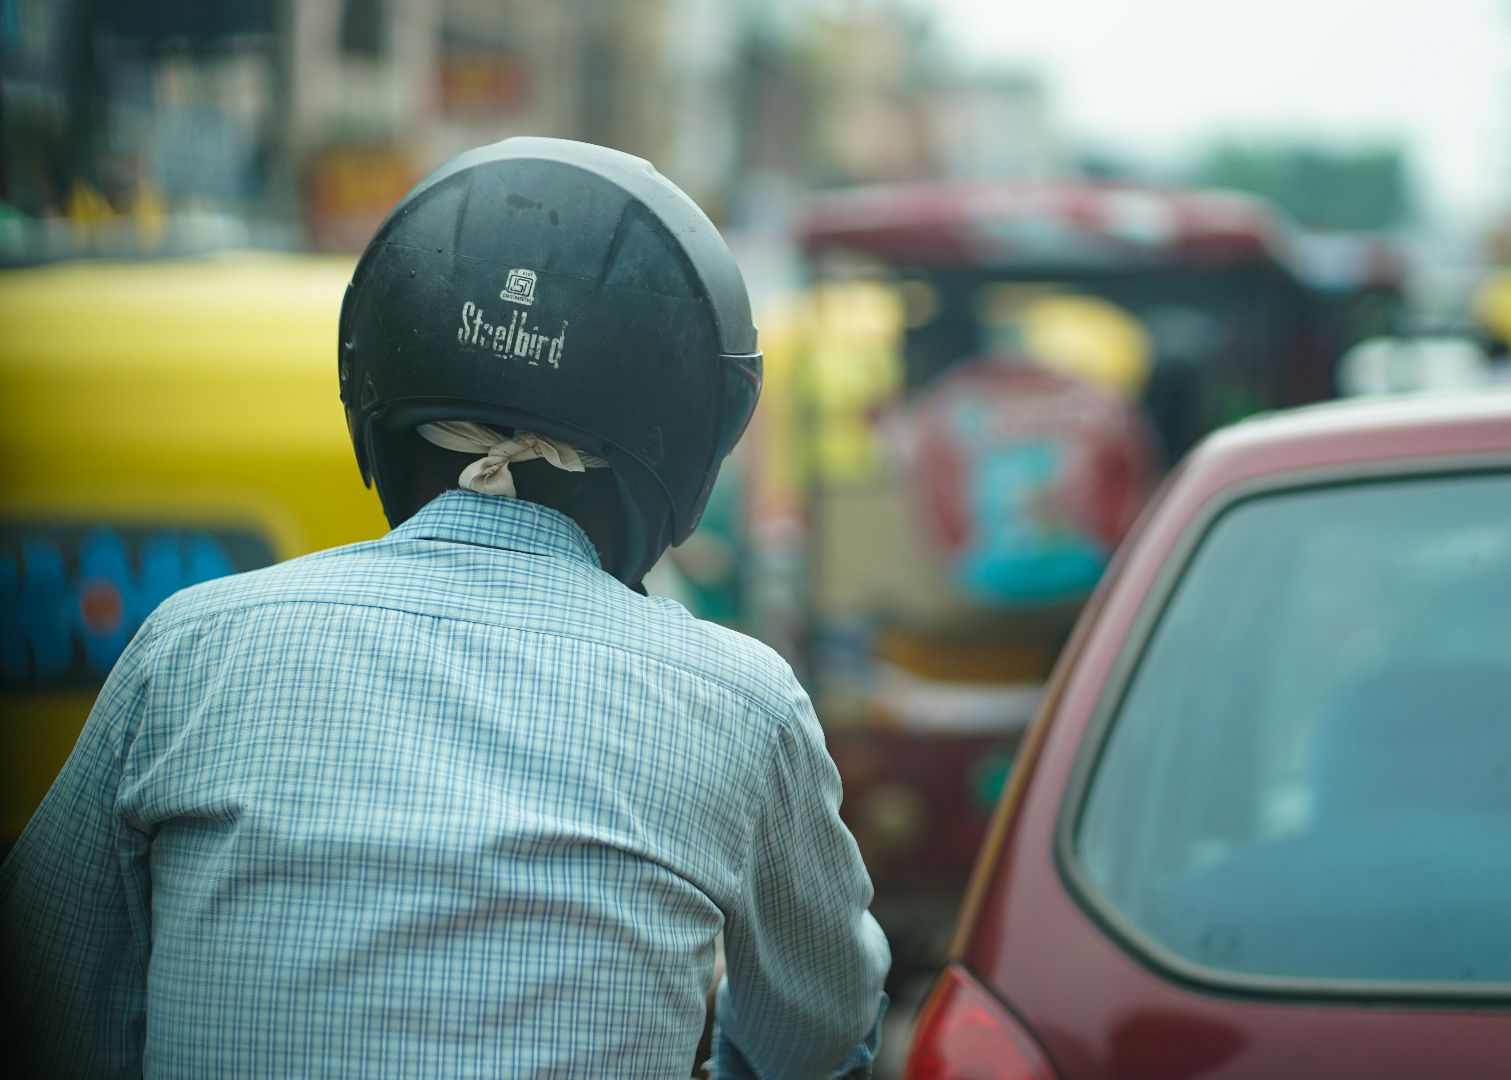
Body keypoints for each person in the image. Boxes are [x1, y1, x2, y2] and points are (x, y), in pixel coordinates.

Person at [0, 138, 889, 1078]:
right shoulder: (741, 705)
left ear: (376, 393)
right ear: (689, 438)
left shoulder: (188, 651)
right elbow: (820, 1040)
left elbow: (42, 1001)